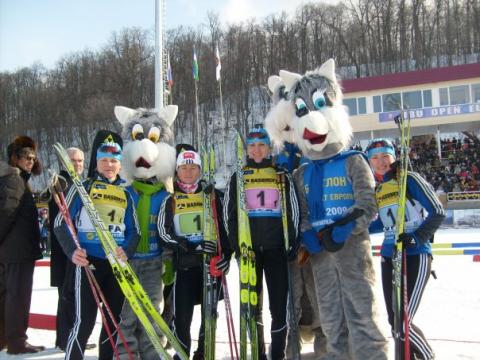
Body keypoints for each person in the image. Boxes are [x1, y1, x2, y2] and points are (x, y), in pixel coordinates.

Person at [54, 131, 140, 360]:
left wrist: (127, 249)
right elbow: (60, 223)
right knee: (84, 322)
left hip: (115, 266)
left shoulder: (127, 193)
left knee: (112, 323)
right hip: (89, 263)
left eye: (114, 161)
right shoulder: (83, 188)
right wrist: (72, 252)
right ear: (97, 162)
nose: (109, 165)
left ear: (120, 165)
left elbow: (135, 231)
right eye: (104, 160)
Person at [223, 126, 299, 360]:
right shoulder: (240, 176)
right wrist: (237, 247)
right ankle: (259, 353)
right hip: (250, 252)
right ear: (247, 149)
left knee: (278, 307)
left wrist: (292, 242)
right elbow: (229, 215)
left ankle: (278, 354)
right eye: (252, 146)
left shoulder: (281, 175)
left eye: (262, 145)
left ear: (269, 147)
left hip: (276, 249)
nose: (257, 150)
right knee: (252, 308)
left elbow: (293, 209)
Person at [366, 138, 445, 360]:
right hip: (390, 256)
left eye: (385, 156)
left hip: (414, 255)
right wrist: (358, 229)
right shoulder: (379, 188)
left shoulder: (409, 179)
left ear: (393, 157)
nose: (381, 162)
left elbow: (437, 211)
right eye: (375, 158)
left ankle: (427, 356)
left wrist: (416, 238)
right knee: (395, 322)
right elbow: (384, 222)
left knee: (403, 320)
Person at [158, 146, 231, 360]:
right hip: (184, 266)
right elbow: (164, 233)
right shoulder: (170, 199)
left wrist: (226, 255)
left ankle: (203, 352)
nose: (188, 172)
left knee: (209, 315)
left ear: (199, 170)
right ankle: (182, 353)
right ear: (177, 171)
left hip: (211, 266)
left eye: (193, 168)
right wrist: (189, 246)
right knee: (182, 317)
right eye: (183, 168)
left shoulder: (213, 195)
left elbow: (227, 230)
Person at [0, 136, 46, 354]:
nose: (31, 160)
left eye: (33, 157)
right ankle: (17, 341)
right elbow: (6, 214)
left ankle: (6, 339)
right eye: (26, 157)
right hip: (17, 251)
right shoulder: (15, 180)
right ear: (14, 158)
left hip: (15, 250)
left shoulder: (17, 179)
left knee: (8, 295)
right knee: (18, 296)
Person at [48, 147, 88, 351]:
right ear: (64, 161)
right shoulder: (61, 183)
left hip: (74, 249)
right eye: (73, 160)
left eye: (80, 160)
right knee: (67, 295)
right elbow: (60, 222)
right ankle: (65, 339)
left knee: (73, 295)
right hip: (65, 251)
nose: (77, 164)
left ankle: (70, 336)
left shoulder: (77, 183)